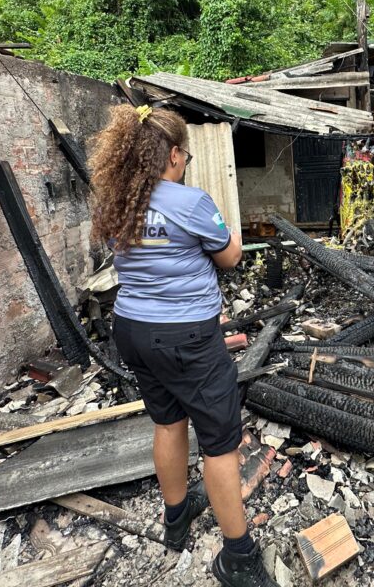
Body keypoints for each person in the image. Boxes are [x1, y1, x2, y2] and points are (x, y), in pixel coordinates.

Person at [90, 104, 277, 587]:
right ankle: (237, 556)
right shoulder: (191, 203)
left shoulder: (118, 201)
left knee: (168, 422)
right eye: (186, 157)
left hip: (131, 329)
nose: (185, 164)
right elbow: (232, 257)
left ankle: (177, 516)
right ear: (173, 154)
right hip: (188, 338)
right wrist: (223, 226)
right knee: (220, 443)